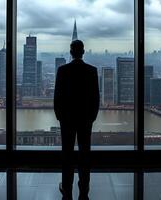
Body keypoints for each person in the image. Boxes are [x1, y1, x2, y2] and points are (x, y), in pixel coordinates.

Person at [54, 40, 100, 200]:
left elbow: (57, 97)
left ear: (71, 52)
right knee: (84, 153)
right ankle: (84, 187)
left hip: (66, 119)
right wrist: (92, 117)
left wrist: (60, 116)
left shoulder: (62, 70)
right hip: (86, 119)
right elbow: (96, 98)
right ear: (83, 52)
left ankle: (67, 187)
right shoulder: (92, 71)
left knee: (67, 153)